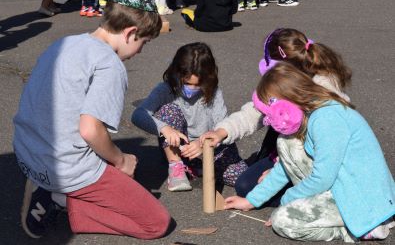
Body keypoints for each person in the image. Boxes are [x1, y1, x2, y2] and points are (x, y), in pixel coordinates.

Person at [14, 0, 170, 240]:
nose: (140, 51)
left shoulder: (64, 43)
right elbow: (89, 129)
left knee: (113, 158)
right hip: (64, 169)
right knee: (156, 223)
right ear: (130, 33)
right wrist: (121, 161)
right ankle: (61, 199)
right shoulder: (109, 64)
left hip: (28, 152)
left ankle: (51, 187)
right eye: (144, 42)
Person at [224, 62, 395, 242]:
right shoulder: (311, 115)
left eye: (271, 113)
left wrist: (287, 200)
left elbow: (323, 178)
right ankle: (355, 221)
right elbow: (285, 166)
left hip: (363, 199)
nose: (270, 119)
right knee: (285, 142)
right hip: (344, 187)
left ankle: (361, 227)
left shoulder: (326, 119)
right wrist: (251, 201)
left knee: (282, 221)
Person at [200, 28, 351, 201]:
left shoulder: (325, 96)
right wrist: (222, 132)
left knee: (264, 188)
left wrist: (282, 168)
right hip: (291, 146)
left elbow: (323, 149)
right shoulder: (287, 79)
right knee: (245, 185)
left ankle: (305, 199)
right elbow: (255, 111)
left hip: (318, 156)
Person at [131, 42, 242, 191]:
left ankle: (195, 167)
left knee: (240, 177)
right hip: (179, 148)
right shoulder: (166, 89)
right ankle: (176, 166)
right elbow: (138, 114)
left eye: (198, 84)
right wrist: (164, 129)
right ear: (177, 73)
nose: (192, 89)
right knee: (169, 110)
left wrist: (204, 144)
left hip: (209, 146)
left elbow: (222, 126)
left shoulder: (213, 91)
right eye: (187, 83)